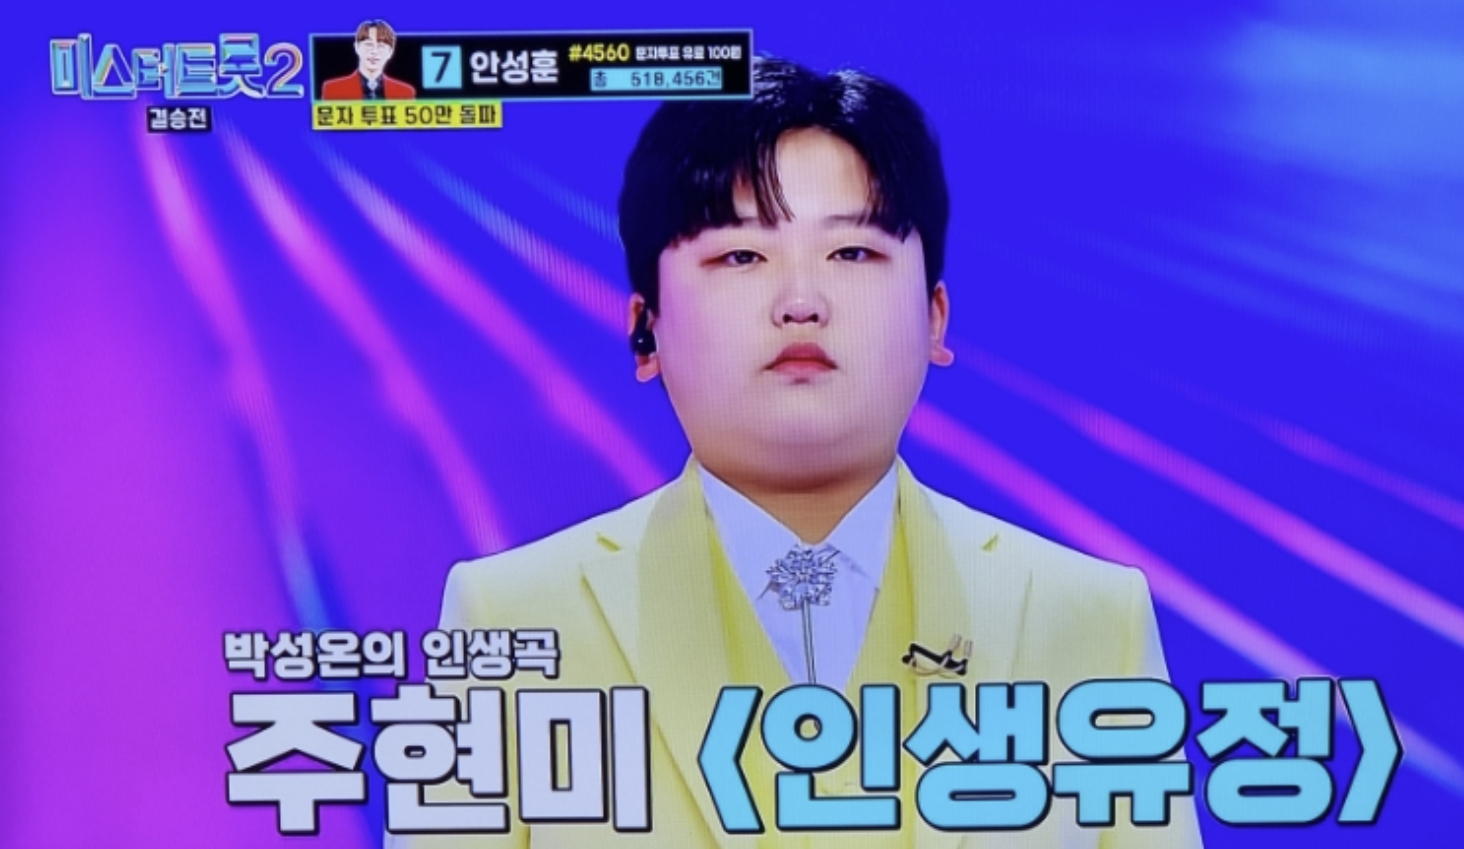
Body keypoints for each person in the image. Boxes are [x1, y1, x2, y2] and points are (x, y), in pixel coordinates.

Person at [404, 57, 1203, 848]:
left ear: (935, 317)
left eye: (852, 253)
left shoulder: (1091, 616)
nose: (801, 302)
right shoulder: (508, 617)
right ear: (645, 329)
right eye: (741, 255)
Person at [320, 19, 416, 100]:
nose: (374, 51)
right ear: (356, 47)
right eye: (369, 44)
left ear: (390, 52)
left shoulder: (405, 93)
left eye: (381, 46)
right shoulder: (332, 89)